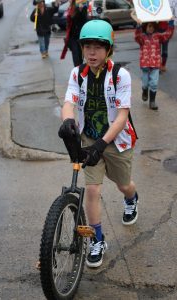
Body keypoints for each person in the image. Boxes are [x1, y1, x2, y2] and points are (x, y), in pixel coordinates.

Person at [58, 20, 138, 268]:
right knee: (92, 190)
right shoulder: (76, 73)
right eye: (87, 47)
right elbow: (69, 102)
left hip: (116, 140)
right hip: (90, 137)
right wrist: (67, 122)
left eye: (98, 47)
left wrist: (101, 145)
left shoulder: (120, 75)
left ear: (109, 49)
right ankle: (98, 240)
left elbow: (123, 116)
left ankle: (132, 199)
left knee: (123, 184)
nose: (92, 53)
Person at [134, 20, 174, 110]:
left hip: (155, 64)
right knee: (145, 84)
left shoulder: (157, 36)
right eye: (149, 26)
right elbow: (137, 37)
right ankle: (144, 91)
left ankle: (152, 102)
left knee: (154, 83)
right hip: (145, 65)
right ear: (145, 27)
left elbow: (167, 35)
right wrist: (138, 27)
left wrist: (171, 25)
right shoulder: (142, 37)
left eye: (152, 26)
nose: (151, 28)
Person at [61, 0, 88, 66]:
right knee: (75, 54)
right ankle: (77, 69)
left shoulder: (82, 8)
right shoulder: (70, 9)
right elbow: (67, 21)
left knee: (80, 55)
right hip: (72, 37)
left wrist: (80, 10)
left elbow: (84, 20)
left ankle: (80, 68)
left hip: (80, 36)